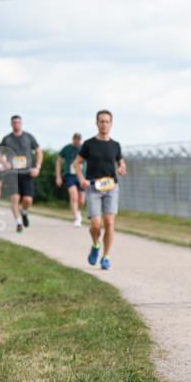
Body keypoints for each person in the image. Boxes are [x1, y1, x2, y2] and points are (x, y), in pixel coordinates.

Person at [75, 110, 126, 270]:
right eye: (101, 121)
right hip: (93, 187)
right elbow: (77, 163)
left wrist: (122, 168)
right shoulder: (89, 144)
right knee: (96, 225)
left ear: (111, 124)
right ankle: (96, 245)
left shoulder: (115, 145)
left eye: (107, 121)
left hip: (111, 186)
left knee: (109, 222)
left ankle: (106, 256)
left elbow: (121, 163)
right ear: (97, 123)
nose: (104, 124)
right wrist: (81, 179)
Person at [0, 115, 42, 233]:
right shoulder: (7, 139)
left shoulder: (29, 137)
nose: (16, 124)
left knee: (28, 200)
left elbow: (39, 151)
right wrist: (4, 163)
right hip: (12, 173)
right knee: (15, 198)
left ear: (21, 123)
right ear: (11, 124)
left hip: (27, 173)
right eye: (14, 122)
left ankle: (24, 212)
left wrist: (37, 167)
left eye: (18, 122)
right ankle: (18, 223)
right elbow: (0, 153)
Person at [56, 133, 86, 226]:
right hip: (69, 175)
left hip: (81, 176)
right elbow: (59, 161)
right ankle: (76, 218)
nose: (77, 141)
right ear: (73, 139)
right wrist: (58, 176)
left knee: (81, 200)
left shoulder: (83, 149)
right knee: (74, 196)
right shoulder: (66, 148)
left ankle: (78, 211)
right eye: (76, 139)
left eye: (79, 140)